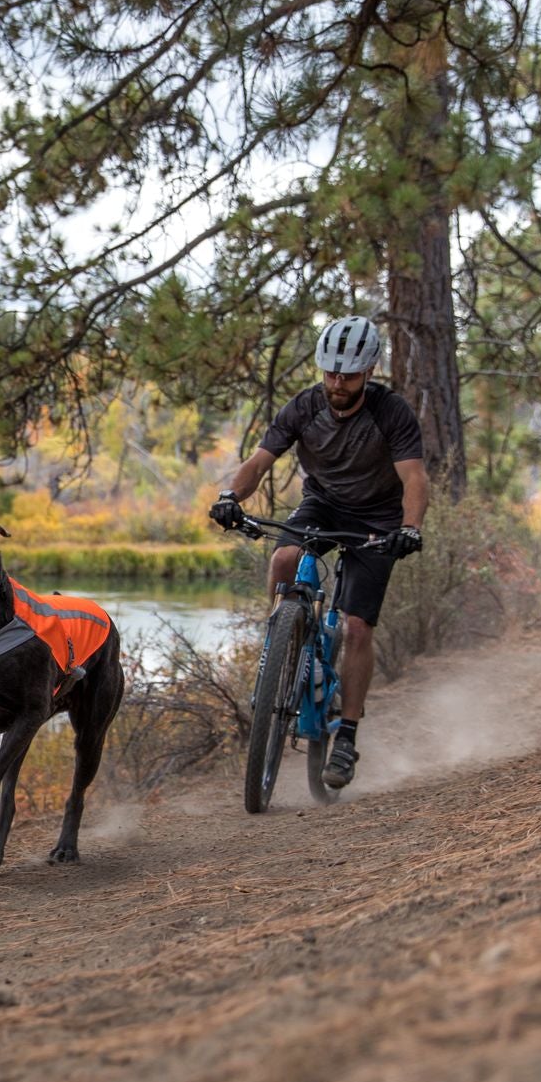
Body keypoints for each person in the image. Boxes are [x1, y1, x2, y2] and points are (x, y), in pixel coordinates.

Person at [207, 315, 429, 789]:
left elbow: (413, 477)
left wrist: (410, 528)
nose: (337, 383)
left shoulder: (391, 412)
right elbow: (261, 461)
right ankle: (277, 651)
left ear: (368, 371)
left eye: (347, 375)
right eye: (330, 373)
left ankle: (346, 735)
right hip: (323, 505)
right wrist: (231, 497)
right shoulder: (305, 406)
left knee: (356, 625)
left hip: (378, 519)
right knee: (283, 559)